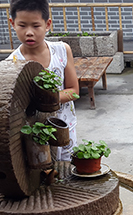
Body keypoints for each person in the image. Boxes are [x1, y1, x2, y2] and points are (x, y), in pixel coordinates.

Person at [7, 0, 79, 161]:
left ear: (47, 24)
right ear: (12, 23)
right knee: (41, 173)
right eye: (22, 25)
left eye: (36, 25)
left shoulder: (61, 50)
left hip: (65, 125)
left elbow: (74, 91)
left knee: (67, 169)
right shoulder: (12, 63)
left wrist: (49, 99)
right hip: (34, 133)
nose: (29, 32)